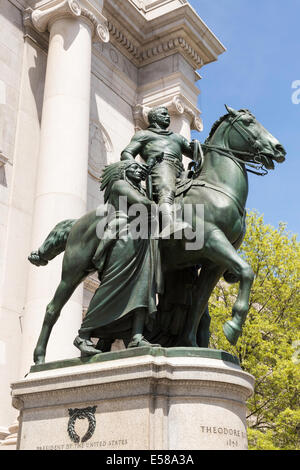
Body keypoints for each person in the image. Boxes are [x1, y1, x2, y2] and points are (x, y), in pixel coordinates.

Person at [73, 161, 162, 357]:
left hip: (142, 241)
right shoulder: (120, 185)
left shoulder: (136, 187)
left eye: (140, 168)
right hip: (125, 237)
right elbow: (144, 204)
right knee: (112, 286)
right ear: (123, 171)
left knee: (143, 289)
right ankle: (83, 334)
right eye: (135, 168)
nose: (139, 170)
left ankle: (137, 335)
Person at [120, 106, 197, 236]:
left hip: (180, 169)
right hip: (160, 166)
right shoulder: (144, 134)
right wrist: (136, 166)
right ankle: (169, 227)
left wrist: (197, 147)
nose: (168, 117)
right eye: (163, 114)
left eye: (168, 114)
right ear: (154, 118)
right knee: (166, 190)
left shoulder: (177, 137)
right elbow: (127, 153)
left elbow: (194, 153)